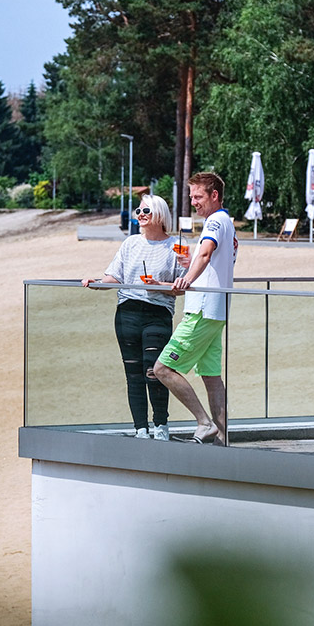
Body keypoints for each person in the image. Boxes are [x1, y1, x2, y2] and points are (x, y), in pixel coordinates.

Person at [82, 194, 184, 441]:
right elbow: (115, 277)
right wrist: (96, 283)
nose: (140, 215)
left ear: (159, 215)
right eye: (138, 211)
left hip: (158, 312)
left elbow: (183, 285)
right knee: (133, 373)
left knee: (154, 369)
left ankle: (161, 425)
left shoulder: (177, 245)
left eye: (145, 211)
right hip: (127, 311)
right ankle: (141, 429)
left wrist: (160, 285)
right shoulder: (130, 243)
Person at [153, 172, 238, 445]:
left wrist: (185, 279)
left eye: (198, 196)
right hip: (217, 311)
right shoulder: (227, 223)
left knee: (162, 369)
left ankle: (205, 424)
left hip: (201, 310)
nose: (193, 202)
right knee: (211, 376)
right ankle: (223, 439)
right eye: (191, 197)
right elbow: (208, 257)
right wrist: (189, 260)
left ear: (214, 195)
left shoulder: (215, 221)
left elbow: (206, 253)